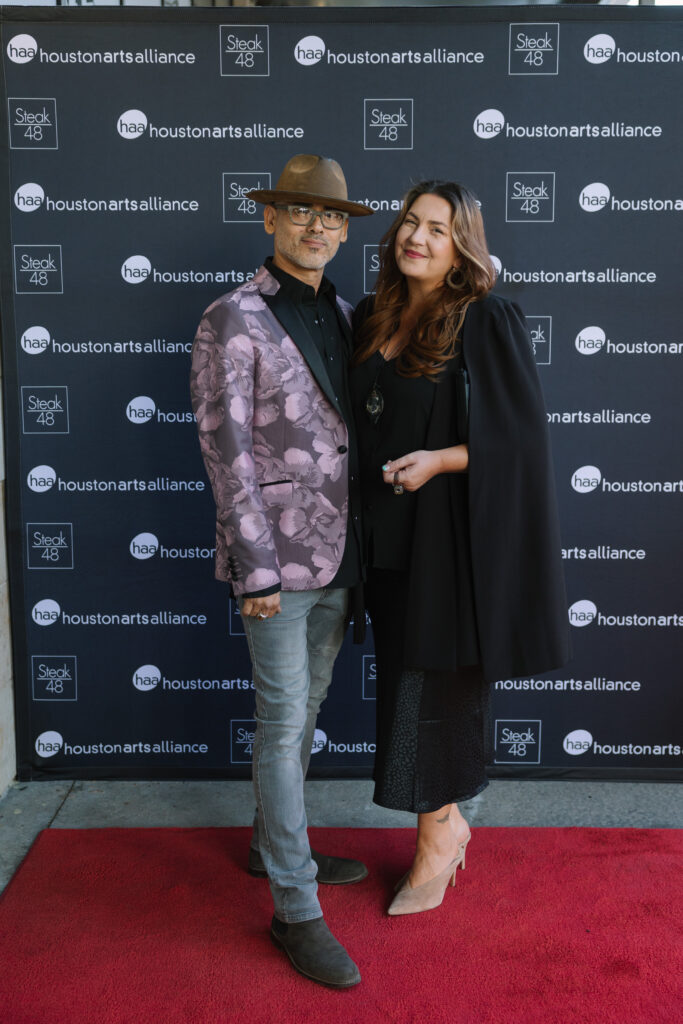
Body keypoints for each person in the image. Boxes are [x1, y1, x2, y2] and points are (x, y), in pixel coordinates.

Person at [350, 181, 570, 916]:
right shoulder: (372, 315)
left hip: (447, 546)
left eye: (437, 229)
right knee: (403, 688)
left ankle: (439, 836)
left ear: (461, 246)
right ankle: (443, 824)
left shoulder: (485, 317)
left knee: (433, 692)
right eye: (410, 223)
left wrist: (439, 460)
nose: (416, 237)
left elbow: (522, 443)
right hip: (382, 543)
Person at [190, 154, 373, 987]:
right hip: (276, 567)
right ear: (269, 218)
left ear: (343, 229)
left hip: (343, 557)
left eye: (329, 215)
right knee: (282, 720)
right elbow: (224, 450)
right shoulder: (231, 317)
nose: (316, 226)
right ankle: (295, 906)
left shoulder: (347, 313)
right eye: (299, 211)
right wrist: (253, 569)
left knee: (304, 717)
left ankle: (274, 848)